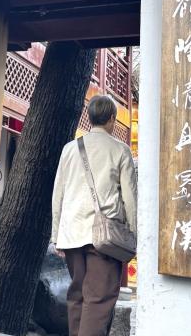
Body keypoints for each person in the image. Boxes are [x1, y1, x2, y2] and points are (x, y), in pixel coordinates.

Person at [50, 94, 137, 336]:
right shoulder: (120, 150)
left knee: (78, 295)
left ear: (89, 118)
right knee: (98, 300)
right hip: (105, 238)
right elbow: (130, 199)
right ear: (112, 118)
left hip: (72, 234)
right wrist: (133, 234)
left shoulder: (70, 149)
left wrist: (56, 235)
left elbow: (58, 194)